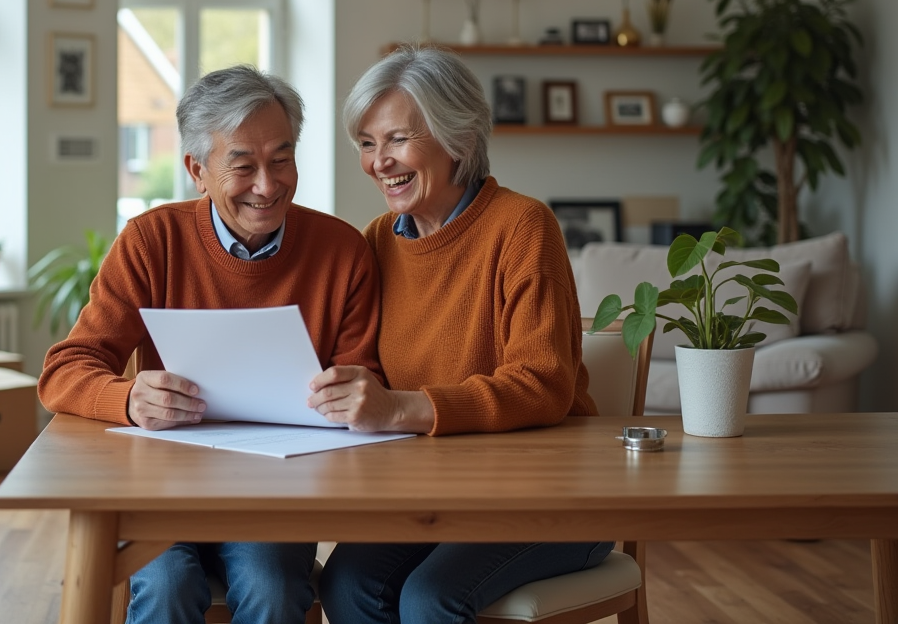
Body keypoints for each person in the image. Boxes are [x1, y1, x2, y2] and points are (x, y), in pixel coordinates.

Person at [38, 64, 382, 624]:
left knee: (274, 591)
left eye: (281, 159)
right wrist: (127, 399)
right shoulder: (152, 241)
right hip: (164, 485)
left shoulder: (342, 251)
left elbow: (364, 380)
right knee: (167, 585)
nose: (267, 186)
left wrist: (352, 394)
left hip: (276, 490)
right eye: (242, 166)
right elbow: (64, 370)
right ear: (198, 170)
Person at [307, 45, 609, 624]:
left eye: (396, 140)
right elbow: (367, 368)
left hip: (552, 497)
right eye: (367, 145)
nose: (378, 163)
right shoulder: (376, 240)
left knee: (429, 597)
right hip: (436, 499)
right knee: (345, 585)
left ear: (458, 138)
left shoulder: (522, 226)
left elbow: (545, 383)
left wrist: (403, 409)